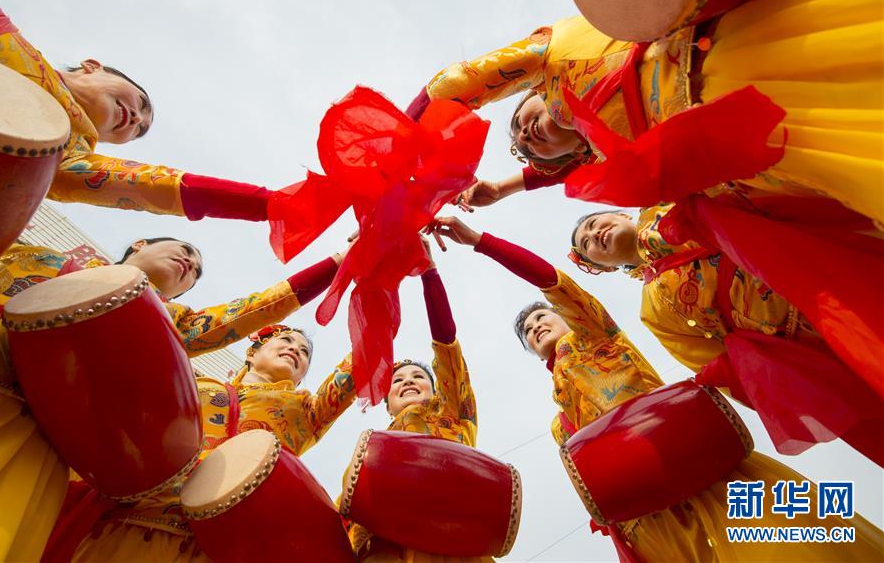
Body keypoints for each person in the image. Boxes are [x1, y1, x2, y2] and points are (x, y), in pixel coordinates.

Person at [428, 216, 884, 562]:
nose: (536, 327)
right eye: (528, 332)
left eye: (542, 317)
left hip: (699, 467)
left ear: (568, 317)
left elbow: (552, 281)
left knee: (790, 545)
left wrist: (481, 242)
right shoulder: (559, 424)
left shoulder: (599, 339)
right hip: (649, 520)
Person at [417, 0, 882, 227]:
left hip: (736, 54)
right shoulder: (606, 159)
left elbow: (463, 83)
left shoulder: (551, 55)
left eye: (519, 121)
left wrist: (405, 144)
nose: (524, 135)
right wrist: (502, 190)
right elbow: (557, 176)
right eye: (527, 146)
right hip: (759, 155)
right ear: (572, 156)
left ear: (532, 92)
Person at [0, 237, 347, 561]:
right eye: (186, 252)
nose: (190, 263)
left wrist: (346, 265)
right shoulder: (192, 380)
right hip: (117, 516)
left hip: (207, 541)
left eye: (304, 352)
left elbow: (255, 312)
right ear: (139, 244)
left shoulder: (304, 411)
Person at [565, 205, 883, 464]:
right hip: (812, 349)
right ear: (604, 268)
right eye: (587, 244)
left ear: (622, 214)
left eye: (593, 224)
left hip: (827, 281)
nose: (594, 234)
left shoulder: (668, 205)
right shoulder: (654, 311)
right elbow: (721, 367)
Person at [68, 324, 356, 561]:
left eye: (304, 352)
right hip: (131, 525)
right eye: (286, 340)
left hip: (216, 545)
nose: (295, 349)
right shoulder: (195, 386)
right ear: (252, 352)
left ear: (302, 376)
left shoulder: (306, 411)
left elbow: (355, 370)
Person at [0, 0, 273, 223]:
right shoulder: (0, 34)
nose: (137, 118)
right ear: (92, 66)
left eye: (139, 130)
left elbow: (161, 185)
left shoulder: (68, 158)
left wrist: (273, 204)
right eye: (141, 103)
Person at [345, 239, 485, 562]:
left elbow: (447, 345)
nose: (407, 381)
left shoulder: (453, 413)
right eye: (396, 380)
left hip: (452, 545)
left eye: (418, 376)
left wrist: (429, 273)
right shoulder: (371, 448)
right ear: (386, 404)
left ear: (437, 391)